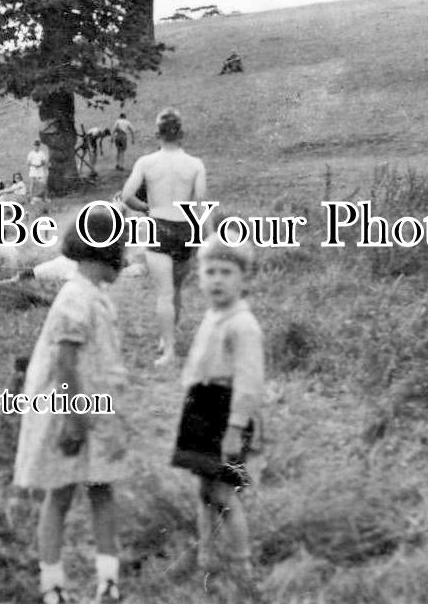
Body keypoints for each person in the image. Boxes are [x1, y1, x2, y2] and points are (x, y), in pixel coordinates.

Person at [13, 207, 130, 604]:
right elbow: (64, 364)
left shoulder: (94, 295)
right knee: (60, 493)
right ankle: (53, 586)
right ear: (108, 254)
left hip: (94, 411)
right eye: (122, 251)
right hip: (68, 412)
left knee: (102, 488)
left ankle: (108, 582)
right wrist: (74, 420)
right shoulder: (75, 297)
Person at [171, 233, 263, 597]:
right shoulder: (213, 315)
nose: (217, 279)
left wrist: (235, 428)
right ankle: (205, 557)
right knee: (203, 488)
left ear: (244, 278)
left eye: (226, 272)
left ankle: (242, 564)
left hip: (228, 416)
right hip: (202, 409)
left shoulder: (243, 325)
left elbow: (250, 382)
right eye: (210, 271)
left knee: (226, 492)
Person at [120, 108, 206, 366]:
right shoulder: (195, 164)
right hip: (185, 228)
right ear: (182, 133)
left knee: (164, 294)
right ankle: (167, 341)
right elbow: (200, 204)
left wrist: (146, 208)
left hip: (159, 225)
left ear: (157, 134)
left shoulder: (146, 163)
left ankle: (168, 349)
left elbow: (126, 197)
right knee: (176, 289)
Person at [26, 140, 49, 206]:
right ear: (33, 146)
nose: (36, 147)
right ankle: (31, 199)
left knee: (42, 184)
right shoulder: (31, 153)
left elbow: (44, 161)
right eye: (35, 146)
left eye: (37, 146)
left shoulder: (42, 153)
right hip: (33, 170)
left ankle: (44, 198)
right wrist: (34, 165)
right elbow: (28, 162)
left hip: (40, 170)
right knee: (32, 184)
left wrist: (40, 165)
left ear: (39, 146)